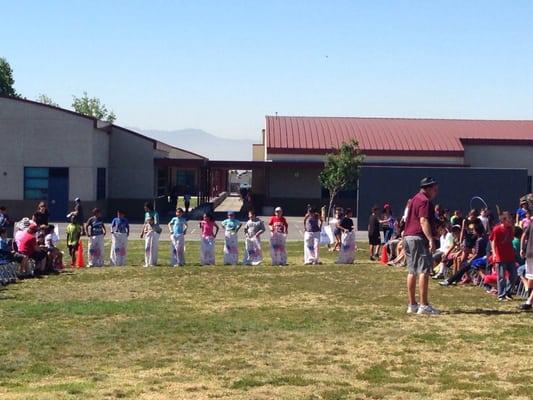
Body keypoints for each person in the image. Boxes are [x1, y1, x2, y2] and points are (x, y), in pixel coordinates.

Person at [403, 177, 440, 315]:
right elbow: (423, 220)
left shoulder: (414, 199)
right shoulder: (425, 201)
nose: (436, 192)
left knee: (412, 271)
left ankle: (412, 304)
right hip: (418, 237)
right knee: (424, 270)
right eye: (435, 189)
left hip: (407, 236)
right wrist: (431, 239)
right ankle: (423, 305)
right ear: (428, 188)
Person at [490, 211, 518, 301]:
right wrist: (494, 253)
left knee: (514, 275)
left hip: (510, 256)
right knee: (501, 277)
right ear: (503, 220)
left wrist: (513, 227)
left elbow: (511, 238)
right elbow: (493, 241)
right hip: (500, 256)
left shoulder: (509, 228)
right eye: (508, 219)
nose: (510, 220)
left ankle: (508, 292)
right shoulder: (497, 229)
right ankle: (501, 295)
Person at [519, 211, 533, 310]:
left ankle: (529, 299)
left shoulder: (531, 223)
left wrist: (522, 248)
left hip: (529, 253)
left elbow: (523, 235)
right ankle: (529, 302)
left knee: (530, 277)